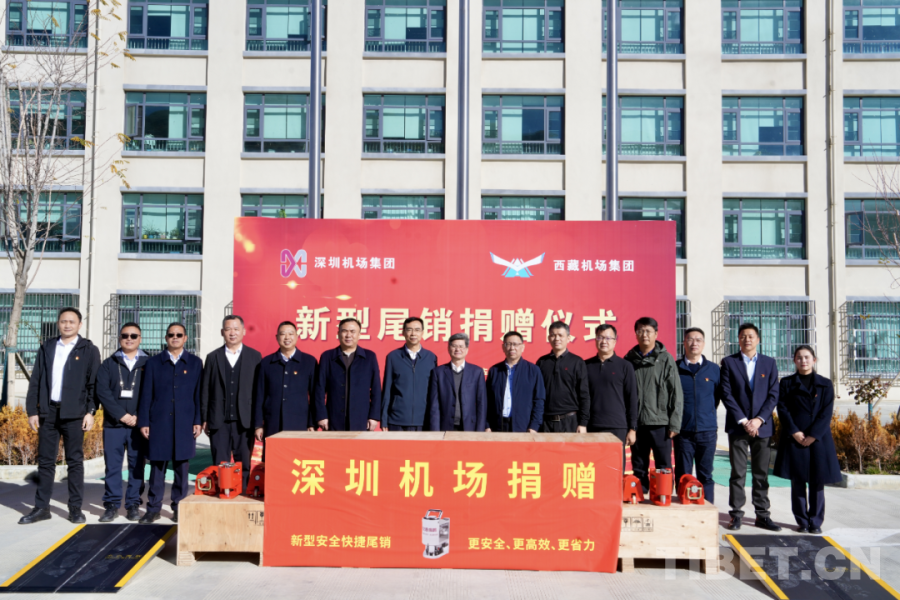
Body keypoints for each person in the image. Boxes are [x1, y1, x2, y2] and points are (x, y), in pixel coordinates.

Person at [20, 307, 101, 525]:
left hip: (75, 414)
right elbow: (36, 380)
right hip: (48, 412)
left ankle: (75, 508)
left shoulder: (89, 350)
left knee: (75, 462)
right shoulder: (47, 347)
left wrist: (91, 411)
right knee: (46, 462)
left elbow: (93, 384)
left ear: (79, 325)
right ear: (58, 323)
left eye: (72, 322)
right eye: (63, 321)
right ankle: (41, 508)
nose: (67, 325)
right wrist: (32, 411)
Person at [138, 323, 202, 524]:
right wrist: (144, 421)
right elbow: (146, 394)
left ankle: (178, 507)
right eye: (171, 334)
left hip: (185, 422)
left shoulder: (195, 363)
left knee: (182, 467)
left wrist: (198, 420)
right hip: (159, 422)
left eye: (179, 334)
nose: (175, 337)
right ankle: (153, 508)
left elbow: (199, 395)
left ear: (185, 338)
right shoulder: (153, 363)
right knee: (157, 468)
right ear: (166, 338)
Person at [773, 346, 841, 534]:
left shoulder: (825, 384)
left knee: (817, 481)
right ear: (794, 361)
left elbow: (826, 412)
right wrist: (794, 431)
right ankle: (802, 521)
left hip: (818, 439)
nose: (803, 361)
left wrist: (814, 435)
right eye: (799, 358)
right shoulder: (787, 383)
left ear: (814, 360)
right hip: (795, 438)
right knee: (798, 480)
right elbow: (782, 409)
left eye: (807, 357)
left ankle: (816, 522)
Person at [720, 322, 781, 532]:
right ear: (738, 339)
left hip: (762, 427)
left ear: (758, 339)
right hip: (738, 427)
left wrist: (759, 419)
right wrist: (744, 420)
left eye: (751, 336)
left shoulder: (769, 363)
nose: (747, 339)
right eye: (743, 336)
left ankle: (762, 515)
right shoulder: (729, 362)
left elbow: (773, 394)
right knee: (738, 473)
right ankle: (736, 514)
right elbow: (726, 393)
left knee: (761, 473)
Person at [96, 322, 149, 523]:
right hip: (114, 425)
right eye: (125, 335)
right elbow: (102, 392)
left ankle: (133, 504)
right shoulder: (108, 363)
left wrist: (138, 416)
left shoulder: (148, 363)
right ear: (119, 338)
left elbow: (152, 392)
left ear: (140, 339)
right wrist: (121, 415)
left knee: (137, 466)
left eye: (134, 336)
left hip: (138, 426)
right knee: (113, 467)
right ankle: (111, 505)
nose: (129, 339)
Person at [201, 315, 262, 488]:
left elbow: (259, 391)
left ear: (243, 331)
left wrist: (258, 421)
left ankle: (243, 492)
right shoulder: (213, 357)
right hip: (218, 419)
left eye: (236, 329)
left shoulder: (255, 356)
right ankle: (223, 492)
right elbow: (205, 389)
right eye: (228, 329)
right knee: (220, 462)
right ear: (222, 332)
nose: (232, 333)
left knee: (244, 463)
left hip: (245, 420)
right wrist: (204, 418)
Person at [624, 317, 683, 494]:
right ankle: (639, 496)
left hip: (661, 423)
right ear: (636, 334)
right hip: (637, 424)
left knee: (663, 466)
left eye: (648, 331)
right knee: (638, 466)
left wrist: (674, 423)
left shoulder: (665, 359)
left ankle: (663, 497)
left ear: (656, 334)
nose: (644, 335)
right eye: (640, 331)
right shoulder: (629, 360)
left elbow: (676, 392)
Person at [675, 327, 721, 503]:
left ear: (703, 343)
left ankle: (707, 509)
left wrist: (705, 414)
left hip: (707, 431)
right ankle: (683, 510)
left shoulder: (714, 369)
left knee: (705, 474)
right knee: (683, 474)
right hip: (683, 432)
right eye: (690, 339)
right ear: (684, 343)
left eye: (698, 339)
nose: (694, 343)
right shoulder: (675, 368)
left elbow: (716, 397)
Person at [585, 324, 638, 470]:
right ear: (595, 340)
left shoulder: (625, 366)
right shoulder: (586, 365)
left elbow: (632, 398)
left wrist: (632, 428)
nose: (604, 341)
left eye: (608, 338)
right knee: (593, 469)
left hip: (617, 427)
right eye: (600, 337)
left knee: (615, 469)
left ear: (615, 341)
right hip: (592, 426)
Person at [315, 318, 381, 431]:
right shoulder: (327, 356)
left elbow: (376, 389)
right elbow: (319, 389)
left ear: (359, 334)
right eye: (344, 331)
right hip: (333, 417)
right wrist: (322, 415)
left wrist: (374, 416)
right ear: (338, 334)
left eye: (352, 331)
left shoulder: (369, 357)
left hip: (361, 418)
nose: (348, 335)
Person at [255, 321, 317, 439]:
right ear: (277, 337)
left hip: (300, 423)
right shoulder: (266, 363)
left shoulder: (309, 362)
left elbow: (315, 396)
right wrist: (258, 425)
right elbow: (259, 395)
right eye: (283, 334)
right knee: (273, 451)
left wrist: (311, 423)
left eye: (291, 333)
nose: (287, 337)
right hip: (272, 423)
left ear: (297, 336)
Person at [381, 317, 437, 431]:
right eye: (409, 329)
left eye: (417, 330)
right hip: (396, 420)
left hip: (423, 420)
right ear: (403, 332)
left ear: (422, 333)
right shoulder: (393, 356)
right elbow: (387, 389)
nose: (413, 333)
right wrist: (384, 419)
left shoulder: (431, 358)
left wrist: (434, 420)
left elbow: (434, 392)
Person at [536, 321, 589, 433]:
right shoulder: (542, 362)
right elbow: (536, 393)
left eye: (560, 335)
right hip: (545, 422)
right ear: (548, 338)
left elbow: (584, 394)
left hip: (569, 421)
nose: (556, 338)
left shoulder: (577, 362)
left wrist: (583, 423)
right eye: (553, 335)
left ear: (568, 338)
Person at [486, 331, 544, 433]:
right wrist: (487, 425)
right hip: (497, 426)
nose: (512, 348)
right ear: (503, 347)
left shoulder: (533, 370)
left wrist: (534, 426)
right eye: (508, 344)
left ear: (522, 347)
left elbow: (539, 400)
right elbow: (487, 400)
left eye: (516, 344)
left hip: (523, 426)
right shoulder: (495, 371)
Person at [427, 333, 487, 432]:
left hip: (469, 427)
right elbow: (434, 405)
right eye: (454, 346)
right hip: (445, 426)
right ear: (448, 348)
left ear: (467, 350)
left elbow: (482, 403)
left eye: (461, 346)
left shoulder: (477, 372)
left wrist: (480, 430)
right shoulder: (438, 372)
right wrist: (435, 431)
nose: (457, 349)